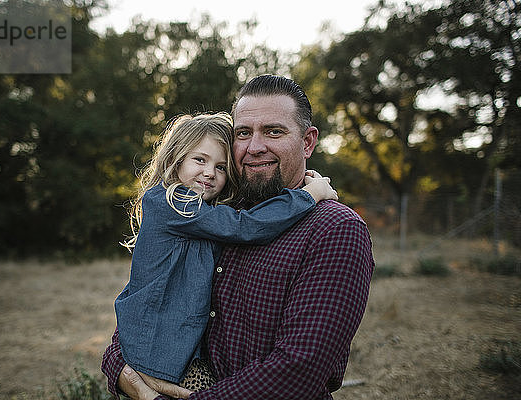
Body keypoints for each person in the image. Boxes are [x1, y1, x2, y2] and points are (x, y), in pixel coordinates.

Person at [102, 75, 374, 400]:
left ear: (307, 142)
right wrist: (119, 367)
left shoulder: (334, 228)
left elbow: (296, 371)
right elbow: (150, 295)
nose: (255, 146)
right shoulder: (218, 214)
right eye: (243, 133)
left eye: (274, 131)